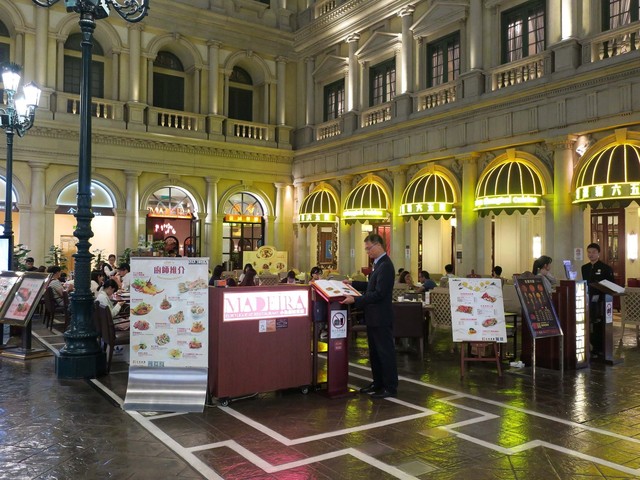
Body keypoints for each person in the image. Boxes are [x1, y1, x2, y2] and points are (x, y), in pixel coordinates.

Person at [341, 233, 398, 399]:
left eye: (369, 248)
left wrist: (356, 299)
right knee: (375, 353)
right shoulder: (378, 264)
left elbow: (379, 293)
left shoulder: (386, 265)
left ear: (378, 245)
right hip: (373, 317)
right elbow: (371, 285)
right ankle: (378, 383)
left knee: (385, 353)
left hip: (381, 317)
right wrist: (353, 284)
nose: (367, 252)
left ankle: (390, 386)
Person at [581, 243, 615, 357]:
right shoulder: (584, 268)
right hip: (588, 300)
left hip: (602, 301)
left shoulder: (605, 268)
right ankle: (590, 346)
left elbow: (611, 285)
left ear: (598, 253)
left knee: (599, 324)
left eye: (593, 252)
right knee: (589, 323)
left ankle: (599, 348)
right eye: (589, 252)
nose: (591, 254)